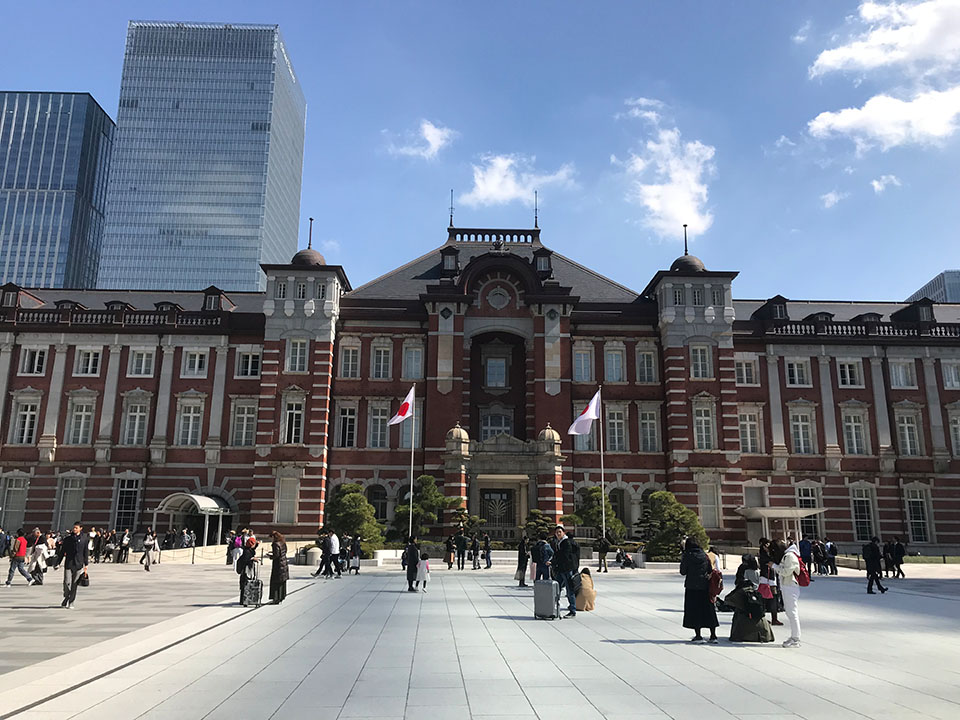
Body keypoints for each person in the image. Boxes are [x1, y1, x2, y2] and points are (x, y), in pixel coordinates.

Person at [725, 554, 774, 643]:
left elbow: (739, 580)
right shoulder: (757, 569)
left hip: (744, 591)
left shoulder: (744, 569)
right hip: (756, 593)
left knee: (741, 611)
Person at [680, 537, 718, 644]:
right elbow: (710, 570)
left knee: (694, 610)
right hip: (705, 586)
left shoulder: (687, 556)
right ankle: (713, 635)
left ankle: (698, 635)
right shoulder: (705, 555)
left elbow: (683, 571)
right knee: (709, 610)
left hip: (692, 586)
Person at [771, 538, 802, 647]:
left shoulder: (790, 556)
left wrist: (774, 567)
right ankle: (794, 636)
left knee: (792, 612)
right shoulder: (787, 555)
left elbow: (786, 572)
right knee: (790, 612)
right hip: (787, 585)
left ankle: (796, 638)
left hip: (790, 586)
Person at [55, 522, 89, 609]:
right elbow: (62, 552)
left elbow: (85, 552)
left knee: (74, 584)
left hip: (79, 564)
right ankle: (66, 596)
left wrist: (86, 564)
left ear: (80, 528)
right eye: (74, 528)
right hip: (69, 563)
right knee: (66, 582)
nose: (74, 529)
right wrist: (58, 562)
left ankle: (71, 601)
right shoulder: (68, 539)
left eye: (76, 528)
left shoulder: (84, 539)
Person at [552, 525, 580, 618]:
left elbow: (563, 556)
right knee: (557, 587)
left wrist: (554, 561)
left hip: (567, 569)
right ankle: (554, 606)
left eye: (560, 532)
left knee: (569, 590)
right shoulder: (560, 542)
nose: (558, 534)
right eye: (556, 532)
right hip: (561, 569)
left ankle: (573, 610)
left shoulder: (566, 542)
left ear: (563, 532)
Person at [757, 538, 783, 627]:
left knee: (773, 598)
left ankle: (774, 618)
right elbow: (768, 562)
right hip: (766, 579)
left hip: (772, 579)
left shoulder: (771, 552)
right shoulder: (763, 554)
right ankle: (762, 617)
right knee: (765, 598)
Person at [268, 531, 288, 604]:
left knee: (275, 581)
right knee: (281, 582)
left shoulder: (275, 544)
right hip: (284, 563)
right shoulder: (283, 542)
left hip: (278, 564)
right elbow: (284, 552)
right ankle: (281, 596)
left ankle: (276, 598)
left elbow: (276, 555)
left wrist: (270, 556)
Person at [237, 536, 259, 604]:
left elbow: (252, 549)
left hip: (248, 570)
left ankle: (246, 599)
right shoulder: (247, 551)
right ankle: (244, 600)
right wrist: (253, 559)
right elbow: (246, 560)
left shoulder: (248, 549)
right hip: (246, 571)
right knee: (245, 584)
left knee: (247, 584)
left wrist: (257, 544)